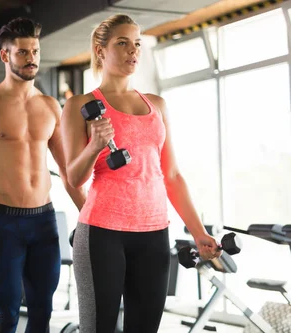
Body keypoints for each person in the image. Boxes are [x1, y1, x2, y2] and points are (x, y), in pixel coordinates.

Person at [60, 14, 222, 333]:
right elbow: (73, 177)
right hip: (102, 232)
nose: (132, 50)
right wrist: (95, 146)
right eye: (122, 43)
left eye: (136, 43)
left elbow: (171, 175)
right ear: (100, 50)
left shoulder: (157, 105)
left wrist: (199, 232)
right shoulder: (80, 105)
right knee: (98, 329)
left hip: (154, 233)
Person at [0, 17, 86, 333]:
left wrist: (90, 215)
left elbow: (69, 171)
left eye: (35, 51)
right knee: (6, 314)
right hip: (5, 223)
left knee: (42, 314)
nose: (31, 58)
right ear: (5, 56)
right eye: (23, 52)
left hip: (45, 221)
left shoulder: (51, 107)